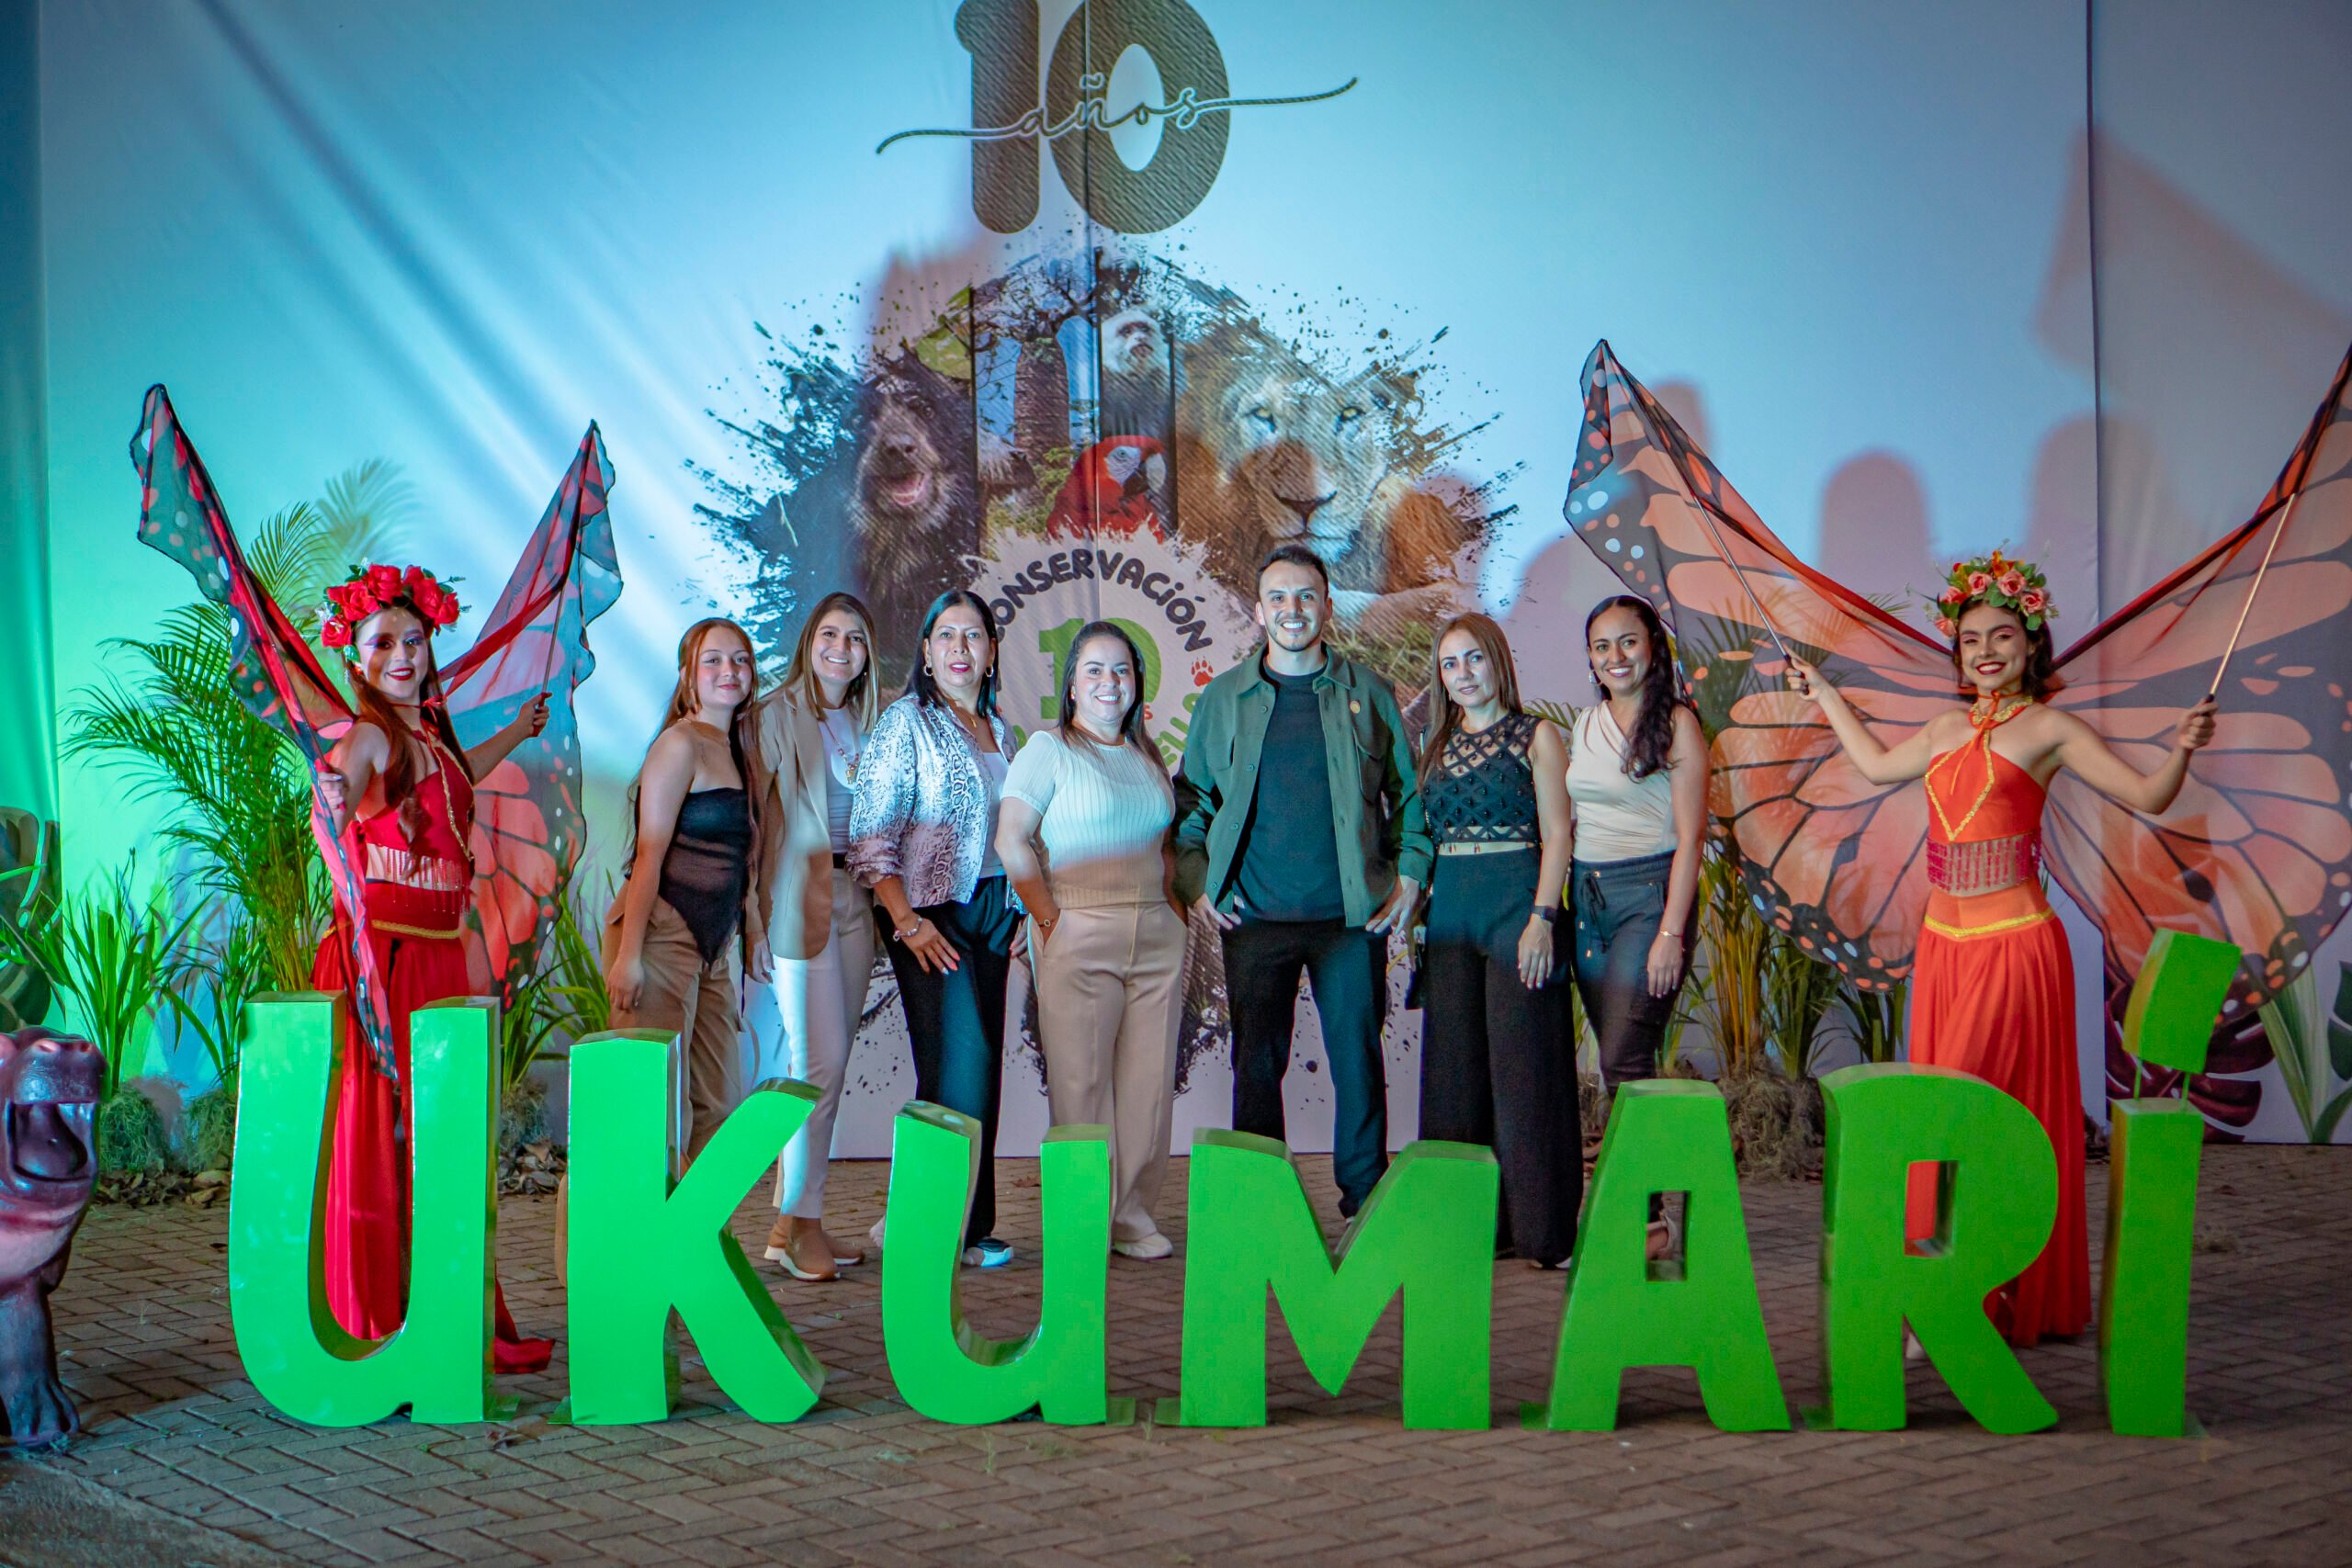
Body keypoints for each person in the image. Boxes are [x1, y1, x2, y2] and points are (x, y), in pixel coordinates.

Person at [1788, 552, 2215, 1345]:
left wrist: (2183, 748)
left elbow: (2147, 795)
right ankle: (1949, 1290)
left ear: (2032, 643)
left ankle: (1952, 1292)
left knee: (1980, 1110)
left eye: (2002, 636)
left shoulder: (2050, 728)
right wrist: (1825, 696)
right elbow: (1874, 766)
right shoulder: (1944, 728)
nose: (1985, 650)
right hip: (1943, 949)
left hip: (2015, 946)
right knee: (1942, 1110)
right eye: (1970, 639)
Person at [312, 564, 553, 1372]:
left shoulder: (428, 737)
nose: (402, 656)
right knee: (386, 1141)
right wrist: (333, 803)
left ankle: (442, 1311)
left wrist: (515, 733)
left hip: (439, 958)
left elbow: (457, 780)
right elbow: (339, 795)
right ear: (354, 655)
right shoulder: (369, 734)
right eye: (382, 643)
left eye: (413, 640)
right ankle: (382, 1319)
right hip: (388, 956)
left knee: (437, 1140)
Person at [1173, 544, 1430, 1217]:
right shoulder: (1223, 699)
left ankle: (1365, 1199)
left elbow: (1407, 795)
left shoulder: (1368, 693)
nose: (1293, 609)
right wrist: (1198, 885)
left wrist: (1409, 874)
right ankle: (1259, 1204)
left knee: (1359, 1062)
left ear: (1328, 607)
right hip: (1254, 917)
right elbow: (1191, 801)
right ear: (1259, 612)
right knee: (1257, 1066)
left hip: (1351, 919)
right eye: (1279, 597)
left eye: (1306, 596)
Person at [996, 622, 1186, 1261]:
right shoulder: (1048, 750)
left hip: (1156, 934)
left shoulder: (1146, 756)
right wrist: (1048, 920)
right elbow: (1011, 839)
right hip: (1076, 929)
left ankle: (1131, 1216)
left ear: (1137, 683)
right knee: (1080, 1087)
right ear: (1072, 684)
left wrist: (1175, 911)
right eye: (1095, 670)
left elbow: (1163, 842)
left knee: (1148, 1087)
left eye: (1122, 670)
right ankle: (1080, 1224)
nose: (1110, 682)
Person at [852, 590, 1020, 1269]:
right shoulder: (906, 723)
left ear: (991, 651)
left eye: (973, 635)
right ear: (925, 651)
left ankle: (956, 1224)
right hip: (928, 912)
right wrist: (906, 920)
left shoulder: (1001, 729)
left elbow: (1013, 831)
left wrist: (1018, 908)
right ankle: (939, 1227)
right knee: (961, 1065)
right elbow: (871, 835)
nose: (959, 648)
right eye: (946, 635)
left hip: (993, 910)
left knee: (976, 1071)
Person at [1414, 614, 1581, 1268]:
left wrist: (1543, 917)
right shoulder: (1434, 742)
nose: (1463, 674)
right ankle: (1467, 1231)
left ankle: (1544, 1234)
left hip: (1517, 907)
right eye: (1450, 663)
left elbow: (1559, 834)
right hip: (1451, 916)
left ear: (1498, 661)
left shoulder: (1536, 735)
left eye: (1474, 658)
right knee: (1453, 1078)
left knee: (1526, 1073)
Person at [1565, 593, 1706, 1256]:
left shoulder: (1677, 723)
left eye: (1627, 641)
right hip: (1587, 901)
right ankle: (1644, 1200)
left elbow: (1692, 838)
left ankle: (1649, 1218)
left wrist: (1671, 932)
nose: (1615, 656)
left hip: (1649, 899)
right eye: (1602, 646)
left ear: (1652, 646)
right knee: (1619, 1061)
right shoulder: (1585, 723)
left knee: (1623, 1057)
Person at [604, 618, 769, 1161]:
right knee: (644, 1108)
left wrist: (753, 931)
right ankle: (601, 1220)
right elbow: (649, 855)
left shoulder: (739, 749)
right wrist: (629, 957)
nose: (729, 670)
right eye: (713, 660)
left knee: (718, 1104)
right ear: (687, 676)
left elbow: (740, 857)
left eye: (740, 659)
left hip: (713, 949)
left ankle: (691, 1217)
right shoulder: (679, 745)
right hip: (658, 938)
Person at [754, 592, 881, 1281]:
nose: (841, 648)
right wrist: (751, 914)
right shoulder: (775, 714)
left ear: (867, 654)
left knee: (832, 1061)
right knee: (816, 1064)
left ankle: (794, 1221)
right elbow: (755, 821)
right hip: (796, 897)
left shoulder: (870, 720)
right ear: (809, 642)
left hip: (856, 898)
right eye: (829, 634)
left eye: (855, 638)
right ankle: (799, 1222)